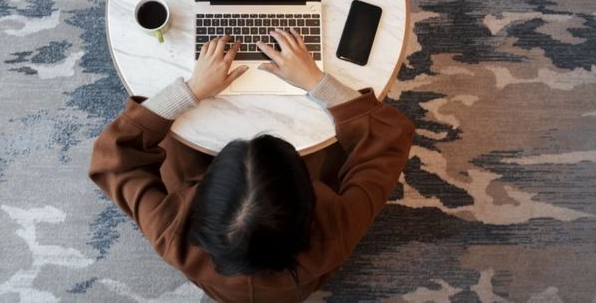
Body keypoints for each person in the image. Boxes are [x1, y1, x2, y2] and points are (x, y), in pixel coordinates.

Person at [89, 29, 415, 302]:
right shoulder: (338, 232)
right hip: (297, 285)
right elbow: (389, 138)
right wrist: (317, 82)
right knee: (327, 144)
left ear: (203, 196)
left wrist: (191, 91)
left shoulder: (171, 235)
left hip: (222, 288)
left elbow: (113, 155)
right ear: (307, 197)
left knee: (178, 141)